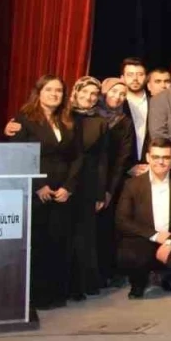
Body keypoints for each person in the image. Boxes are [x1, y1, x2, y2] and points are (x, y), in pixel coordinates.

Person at [5, 75, 79, 309]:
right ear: (38, 92)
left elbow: (77, 156)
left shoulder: (67, 120)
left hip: (62, 191)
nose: (54, 94)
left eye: (59, 90)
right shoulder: (24, 119)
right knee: (37, 244)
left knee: (57, 242)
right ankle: (35, 296)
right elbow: (17, 155)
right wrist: (38, 185)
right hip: (35, 192)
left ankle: (55, 294)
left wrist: (69, 186)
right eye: (49, 89)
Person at [115, 138, 171, 299]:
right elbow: (122, 220)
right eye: (156, 157)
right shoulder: (132, 184)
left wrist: (170, 241)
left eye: (166, 157)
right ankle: (139, 283)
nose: (161, 162)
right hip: (144, 238)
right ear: (148, 157)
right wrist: (154, 235)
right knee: (129, 255)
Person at [65, 76, 109, 300]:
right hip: (63, 181)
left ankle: (81, 284)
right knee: (63, 233)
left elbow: (103, 160)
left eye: (93, 94)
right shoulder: (63, 116)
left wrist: (100, 193)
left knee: (84, 237)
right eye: (84, 92)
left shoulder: (101, 122)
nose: (89, 97)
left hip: (88, 184)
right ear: (75, 92)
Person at [96, 78, 133, 284]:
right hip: (86, 180)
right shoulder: (89, 115)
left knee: (107, 229)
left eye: (122, 94)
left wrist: (109, 189)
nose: (117, 97)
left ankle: (107, 274)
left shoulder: (124, 122)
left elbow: (121, 160)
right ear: (104, 92)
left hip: (111, 182)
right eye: (113, 91)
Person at [119, 57, 150, 174]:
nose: (135, 79)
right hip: (120, 170)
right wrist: (127, 167)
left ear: (146, 77)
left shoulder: (156, 103)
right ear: (122, 78)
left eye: (140, 74)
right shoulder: (117, 104)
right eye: (130, 74)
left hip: (149, 169)